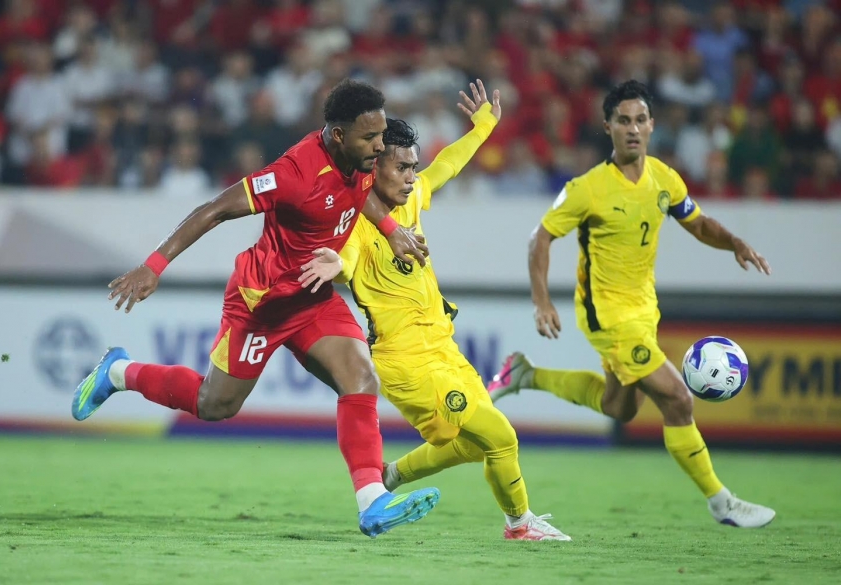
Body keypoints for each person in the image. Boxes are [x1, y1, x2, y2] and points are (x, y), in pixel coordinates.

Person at [71, 79, 438, 539]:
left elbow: (357, 193)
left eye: (381, 135)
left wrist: (389, 228)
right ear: (338, 134)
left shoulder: (360, 158)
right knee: (214, 404)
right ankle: (118, 372)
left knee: (361, 378)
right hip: (262, 304)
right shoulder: (293, 173)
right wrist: (154, 266)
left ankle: (372, 501)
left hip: (313, 298)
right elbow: (215, 209)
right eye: (370, 137)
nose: (380, 146)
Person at [487, 80, 776, 529]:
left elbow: (698, 224)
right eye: (623, 120)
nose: (633, 128)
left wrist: (734, 242)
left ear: (652, 125)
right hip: (606, 314)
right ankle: (722, 501)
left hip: (644, 311)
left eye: (640, 119)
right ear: (608, 127)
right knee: (677, 398)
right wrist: (541, 301)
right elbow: (539, 239)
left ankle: (526, 374)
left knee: (620, 407)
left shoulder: (664, 178)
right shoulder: (588, 188)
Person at [302, 80, 570, 541]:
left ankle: (390, 476)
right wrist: (335, 265)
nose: (411, 177)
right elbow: (346, 258)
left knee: (472, 445)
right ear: (373, 169)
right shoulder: (358, 224)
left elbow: (447, 165)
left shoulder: (412, 199)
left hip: (444, 348)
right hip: (406, 361)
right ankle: (520, 524)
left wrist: (483, 127)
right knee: (501, 437)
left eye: (413, 167)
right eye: (401, 168)